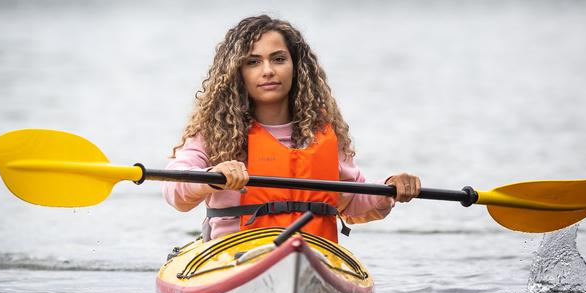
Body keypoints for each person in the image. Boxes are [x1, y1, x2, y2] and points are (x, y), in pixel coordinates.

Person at [162, 15, 421, 242]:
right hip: (233, 255)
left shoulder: (321, 132)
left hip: (315, 253)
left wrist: (391, 189)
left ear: (296, 67)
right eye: (253, 62)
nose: (267, 71)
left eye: (278, 59)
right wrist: (213, 176)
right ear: (237, 73)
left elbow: (353, 203)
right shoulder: (215, 132)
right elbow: (175, 191)